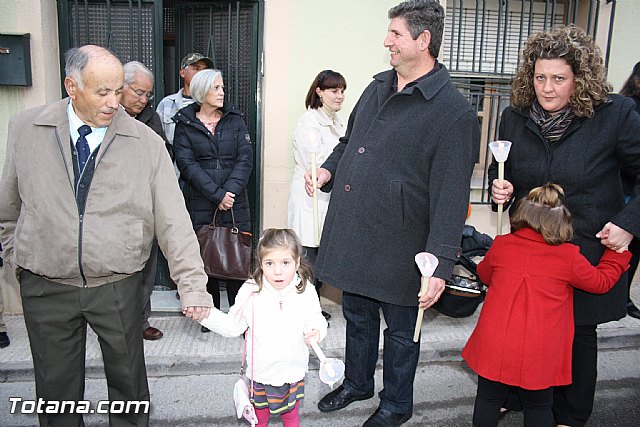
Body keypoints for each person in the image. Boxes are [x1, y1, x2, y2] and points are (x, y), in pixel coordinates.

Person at [0, 45, 213, 426]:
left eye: (120, 91)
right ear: (72, 86)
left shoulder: (147, 143)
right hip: (45, 285)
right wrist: (18, 257)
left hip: (118, 284)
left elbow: (174, 222)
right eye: (103, 92)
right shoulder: (25, 129)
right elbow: (9, 209)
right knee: (56, 393)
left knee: (129, 386)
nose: (115, 102)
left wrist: (193, 286)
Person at [307, 1, 480, 426]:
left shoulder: (454, 112)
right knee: (357, 316)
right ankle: (357, 382)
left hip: (405, 246)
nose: (387, 40)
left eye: (396, 34)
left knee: (403, 333)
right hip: (356, 229)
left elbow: (451, 198)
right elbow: (350, 142)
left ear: (424, 41)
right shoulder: (377, 86)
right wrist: (329, 168)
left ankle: (397, 404)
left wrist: (438, 265)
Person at [489, 26, 640, 426]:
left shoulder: (615, 115)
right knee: (525, 329)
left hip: (585, 245)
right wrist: (500, 188)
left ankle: (570, 416)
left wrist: (628, 224)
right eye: (540, 77)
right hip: (529, 251)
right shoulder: (514, 116)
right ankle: (523, 395)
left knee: (575, 334)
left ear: (580, 79)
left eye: (559, 78)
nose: (547, 89)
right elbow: (499, 170)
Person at [463, 184, 631, 427]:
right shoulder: (568, 256)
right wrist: (616, 255)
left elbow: (484, 274)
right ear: (562, 223)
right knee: (539, 406)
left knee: (488, 399)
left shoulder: (502, 245)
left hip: (496, 342)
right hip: (541, 349)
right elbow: (600, 282)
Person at [199, 228, 328, 427]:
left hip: (292, 371)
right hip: (261, 373)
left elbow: (316, 319)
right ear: (260, 263)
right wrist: (205, 315)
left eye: (285, 263)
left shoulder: (305, 289)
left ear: (297, 262)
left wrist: (317, 331)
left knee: (291, 415)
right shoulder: (251, 291)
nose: (277, 271)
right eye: (269, 263)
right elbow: (233, 326)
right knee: (259, 418)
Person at [173, 69, 253, 332]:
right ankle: (210, 316)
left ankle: (240, 316)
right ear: (201, 92)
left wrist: (229, 192)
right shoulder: (185, 123)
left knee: (237, 255)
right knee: (204, 257)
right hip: (202, 200)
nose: (222, 92)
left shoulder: (234, 118)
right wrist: (217, 195)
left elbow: (245, 157)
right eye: (216, 88)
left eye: (222, 87)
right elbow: (186, 164)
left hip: (235, 200)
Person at [287, 70, 347, 321]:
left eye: (343, 91)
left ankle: (313, 306)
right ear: (319, 91)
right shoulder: (309, 122)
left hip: (329, 198)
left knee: (323, 255)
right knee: (308, 256)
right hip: (310, 196)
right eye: (334, 90)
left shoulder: (339, 122)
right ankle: (305, 310)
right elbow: (318, 162)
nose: (340, 96)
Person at [121, 60, 170, 341]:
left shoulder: (151, 117)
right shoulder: (109, 115)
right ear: (122, 87)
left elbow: (164, 155)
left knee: (146, 269)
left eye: (147, 94)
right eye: (138, 92)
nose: (142, 99)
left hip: (145, 204)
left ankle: (141, 321)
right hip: (115, 206)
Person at [156, 52, 213, 148]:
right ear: (183, 72)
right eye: (196, 68)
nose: (201, 74)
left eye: (205, 70)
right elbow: (157, 139)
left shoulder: (212, 104)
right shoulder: (167, 104)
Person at [620, 61, 640, 319]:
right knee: (620, 248)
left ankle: (623, 296)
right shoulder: (628, 109)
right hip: (625, 189)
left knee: (634, 251)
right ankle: (617, 297)